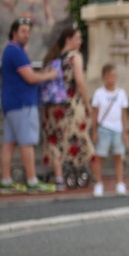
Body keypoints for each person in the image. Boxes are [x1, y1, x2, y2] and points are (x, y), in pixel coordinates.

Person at [0, 17, 59, 195]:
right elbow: (30, 78)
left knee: (9, 144)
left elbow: (28, 74)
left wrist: (40, 73)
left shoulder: (11, 50)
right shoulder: (16, 51)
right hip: (23, 103)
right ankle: (32, 180)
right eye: (23, 31)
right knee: (27, 143)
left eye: (28, 31)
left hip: (11, 103)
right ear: (14, 32)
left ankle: (6, 181)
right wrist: (49, 76)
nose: (27, 35)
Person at [39, 26, 93, 191]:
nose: (80, 41)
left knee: (54, 141)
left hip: (52, 108)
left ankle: (59, 178)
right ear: (68, 39)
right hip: (71, 106)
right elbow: (80, 81)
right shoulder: (74, 56)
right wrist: (87, 103)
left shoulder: (52, 57)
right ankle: (77, 170)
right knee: (76, 138)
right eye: (78, 38)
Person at [90, 63, 129, 197]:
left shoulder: (121, 93)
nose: (111, 79)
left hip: (118, 129)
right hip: (104, 128)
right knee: (100, 156)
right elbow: (95, 113)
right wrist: (94, 130)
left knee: (118, 156)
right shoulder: (99, 93)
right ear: (103, 78)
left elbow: (123, 113)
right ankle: (98, 183)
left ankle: (119, 183)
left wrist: (125, 132)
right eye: (108, 76)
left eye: (113, 76)